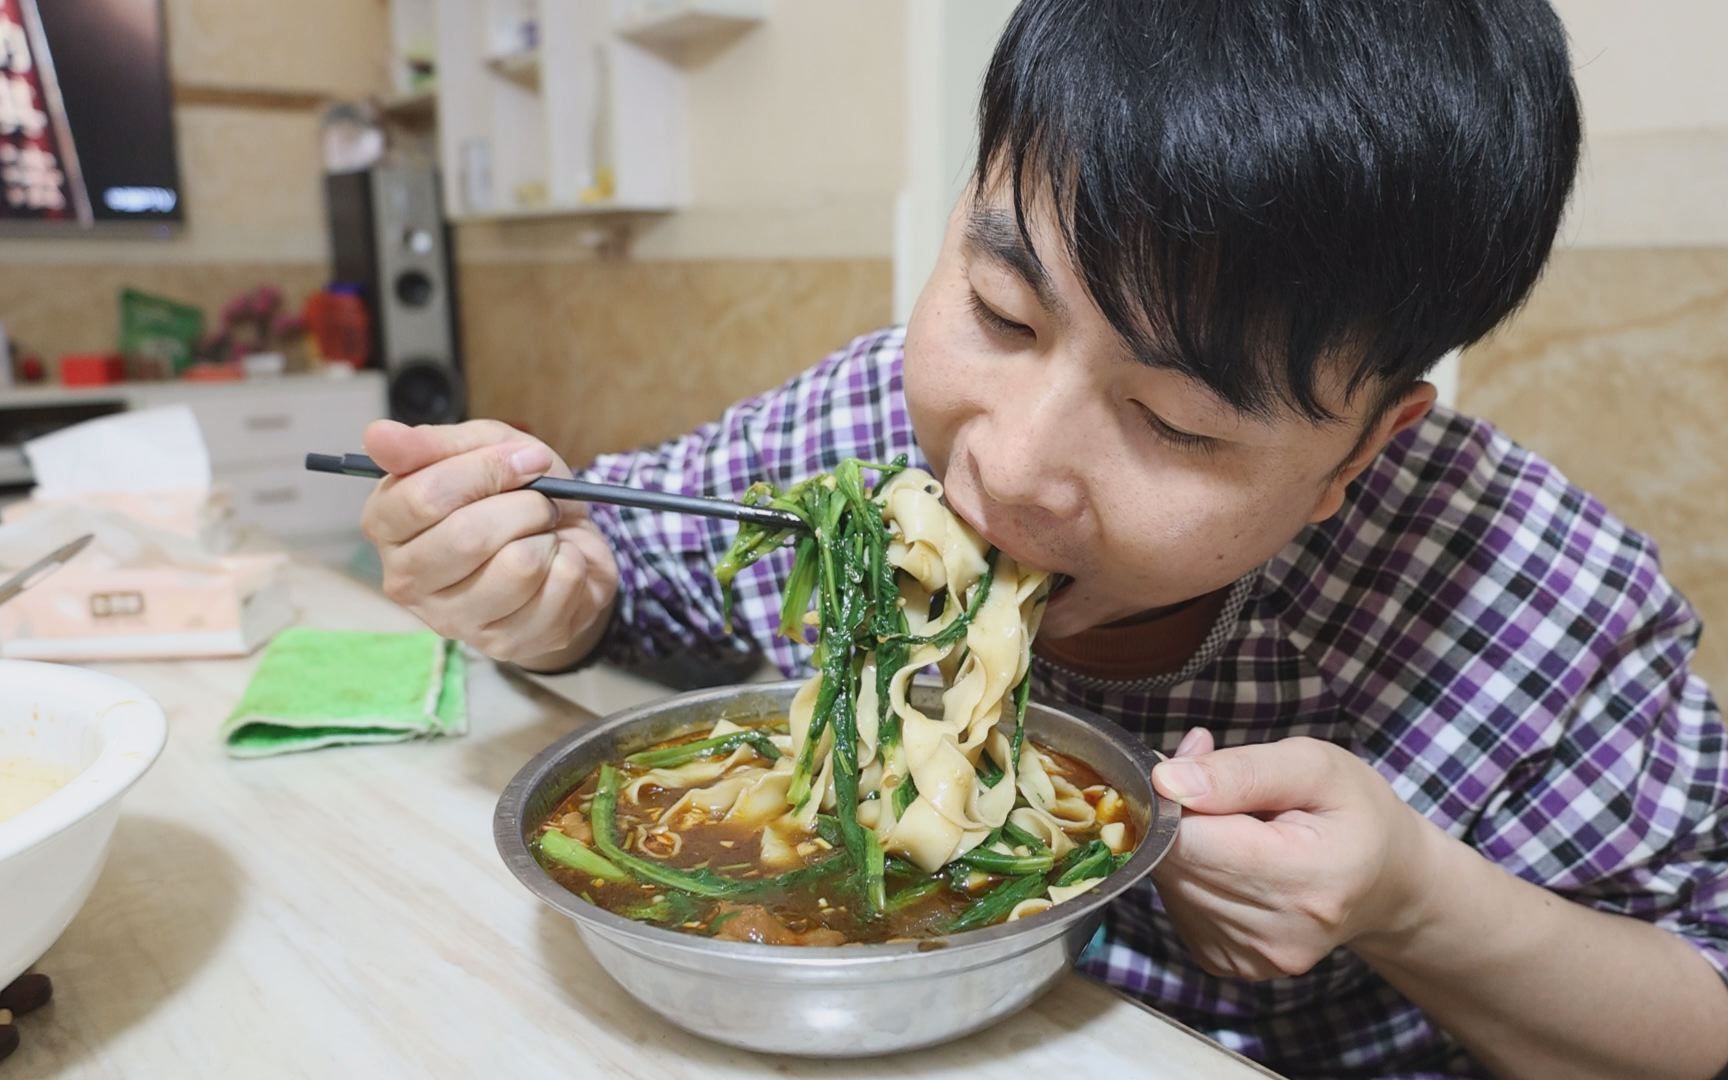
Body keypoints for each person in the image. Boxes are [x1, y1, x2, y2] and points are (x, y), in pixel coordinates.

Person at [357, 1, 1728, 1075]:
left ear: (1363, 450)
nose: (1004, 468)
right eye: (1004, 311)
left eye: (1176, 423)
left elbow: (1698, 1012)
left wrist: (1419, 905)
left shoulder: (1532, 597)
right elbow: (624, 569)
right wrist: (545, 582)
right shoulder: (856, 437)